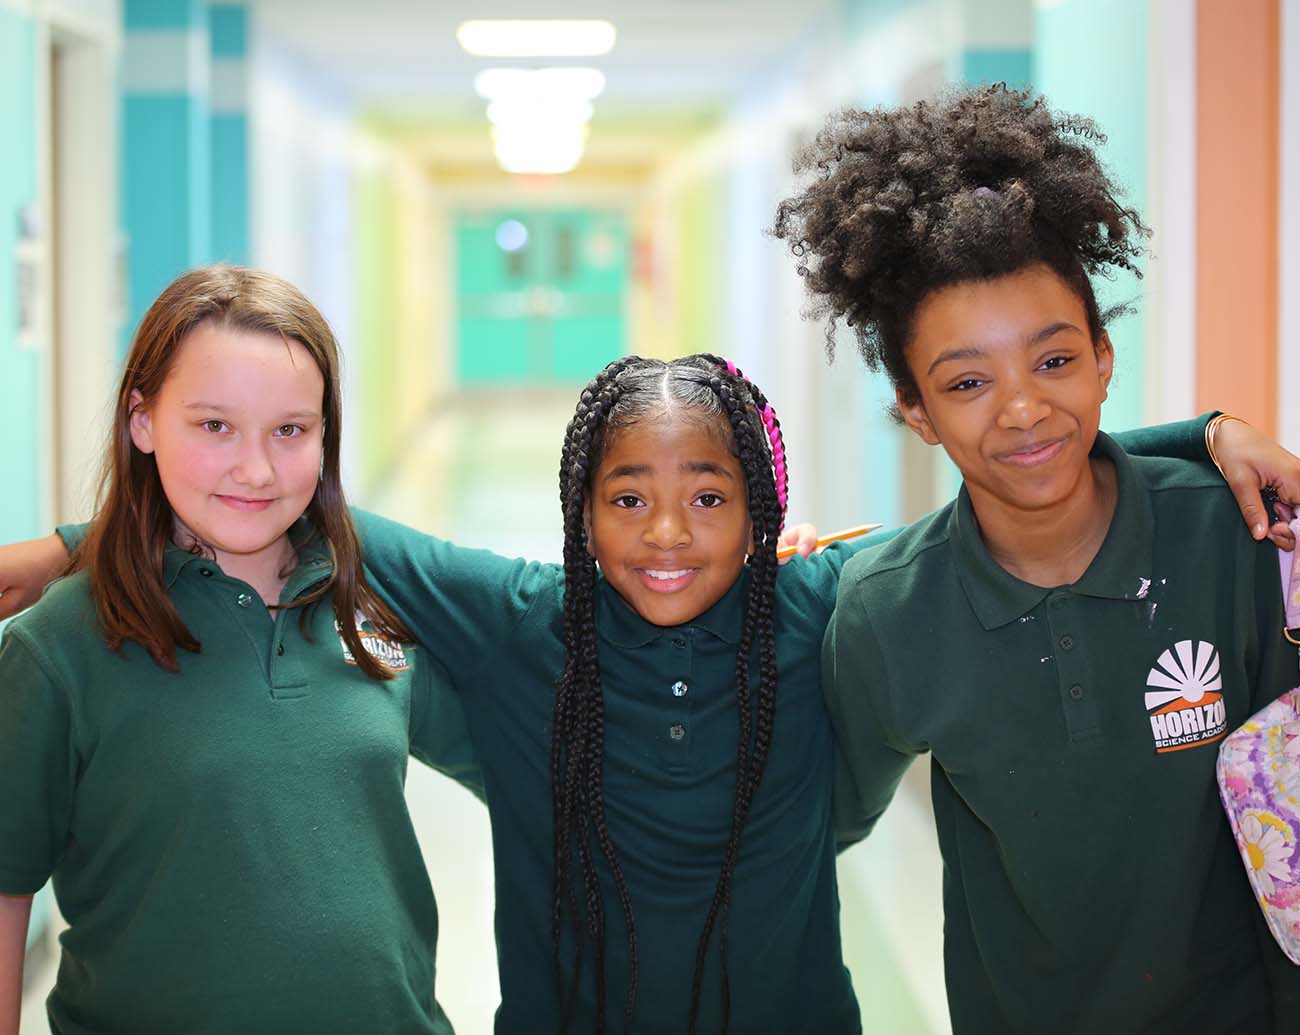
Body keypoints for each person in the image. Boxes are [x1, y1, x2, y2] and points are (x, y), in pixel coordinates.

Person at [4, 338, 1297, 1030]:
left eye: (710, 499)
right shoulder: (519, 620)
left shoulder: (820, 599)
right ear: (579, 509)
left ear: (762, 508)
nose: (668, 534)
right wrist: (68, 547)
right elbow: (293, 504)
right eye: (627, 499)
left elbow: (1001, 484)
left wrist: (1198, 436)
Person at [772, 83, 1300, 1032]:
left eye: (1053, 361)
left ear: (1103, 357)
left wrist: (1208, 432)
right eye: (967, 382)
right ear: (916, 412)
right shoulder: (889, 614)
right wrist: (764, 608)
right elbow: (815, 825)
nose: (1022, 409)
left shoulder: (1239, 539)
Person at [0, 266, 479, 1035]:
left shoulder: (368, 605)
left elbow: (525, 772)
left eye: (290, 430)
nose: (256, 470)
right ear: (142, 421)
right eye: (214, 425)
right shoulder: (59, 648)